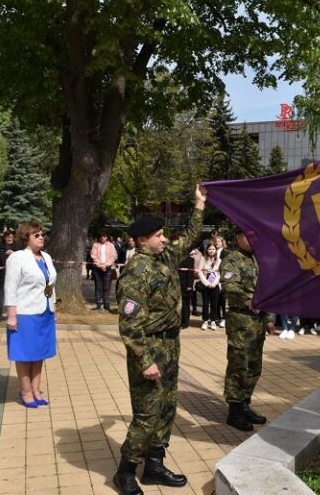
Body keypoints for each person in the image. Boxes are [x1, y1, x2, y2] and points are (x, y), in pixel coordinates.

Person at [113, 185, 206, 495]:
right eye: (158, 235)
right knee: (147, 414)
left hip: (170, 344)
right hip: (150, 348)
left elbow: (190, 237)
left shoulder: (164, 256)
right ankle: (125, 472)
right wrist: (145, 360)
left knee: (166, 409)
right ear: (142, 241)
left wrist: (199, 204)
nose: (165, 238)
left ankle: (153, 466)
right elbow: (129, 325)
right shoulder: (136, 271)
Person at [220, 226, 275, 432]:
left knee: (254, 367)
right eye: (247, 236)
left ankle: (245, 404)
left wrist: (269, 318)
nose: (252, 240)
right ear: (237, 237)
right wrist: (245, 299)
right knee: (238, 366)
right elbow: (228, 286)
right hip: (241, 322)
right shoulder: (232, 259)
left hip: (258, 322)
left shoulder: (257, 259)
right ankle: (234, 411)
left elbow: (266, 290)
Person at [4, 222, 57, 409]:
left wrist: (54, 308)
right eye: (36, 235)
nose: (41, 237)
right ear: (26, 238)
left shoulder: (46, 257)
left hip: (45, 312)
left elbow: (50, 285)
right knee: (25, 355)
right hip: (25, 314)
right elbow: (10, 288)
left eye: (42, 234)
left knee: (39, 354)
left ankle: (36, 390)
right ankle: (25, 392)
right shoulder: (18, 258)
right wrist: (11, 315)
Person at [90, 229, 118, 311]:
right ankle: (98, 304)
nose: (102, 238)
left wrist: (106, 265)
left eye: (104, 236)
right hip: (97, 269)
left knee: (106, 287)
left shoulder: (111, 245)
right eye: (101, 236)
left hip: (108, 268)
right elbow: (93, 255)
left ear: (107, 237)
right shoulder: (95, 245)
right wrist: (100, 265)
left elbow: (113, 257)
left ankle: (106, 304)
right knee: (98, 287)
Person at [197, 243, 221, 330]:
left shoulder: (218, 260)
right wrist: (207, 283)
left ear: (215, 250)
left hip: (215, 286)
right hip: (205, 286)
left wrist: (214, 283)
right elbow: (199, 272)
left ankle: (213, 321)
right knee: (205, 304)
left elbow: (219, 274)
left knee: (214, 304)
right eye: (210, 249)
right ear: (207, 250)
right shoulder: (203, 259)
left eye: (213, 249)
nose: (211, 251)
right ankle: (205, 321)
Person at [178, 249, 198, 329]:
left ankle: (185, 323)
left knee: (185, 305)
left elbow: (190, 273)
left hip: (185, 285)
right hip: (176, 284)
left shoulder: (190, 259)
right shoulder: (175, 258)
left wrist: (189, 285)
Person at [214, 235, 228, 326]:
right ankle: (217, 316)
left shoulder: (225, 251)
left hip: (222, 278)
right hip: (214, 277)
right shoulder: (212, 251)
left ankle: (224, 318)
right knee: (217, 299)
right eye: (215, 241)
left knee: (223, 299)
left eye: (218, 241)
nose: (216, 243)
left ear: (222, 242)